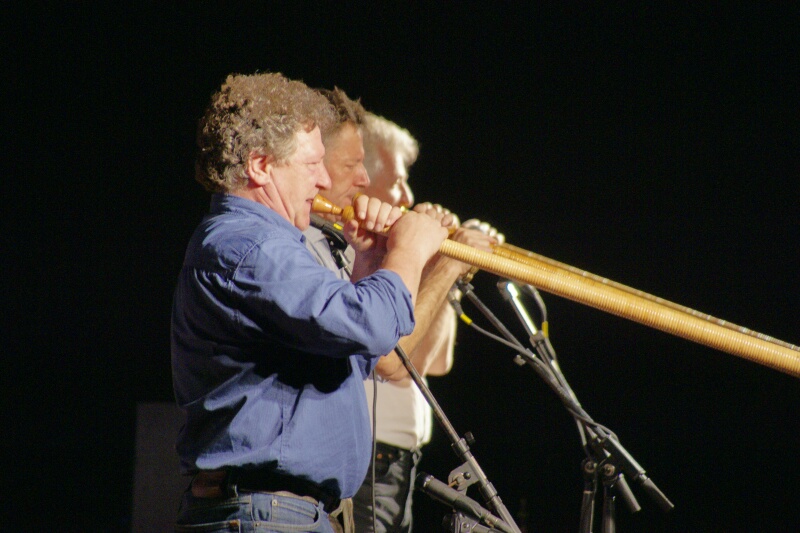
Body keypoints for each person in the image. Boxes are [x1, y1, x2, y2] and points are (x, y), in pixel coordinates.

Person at [171, 72, 449, 533]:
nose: (323, 181)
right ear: (261, 166)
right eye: (313, 164)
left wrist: (369, 262)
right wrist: (409, 250)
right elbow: (372, 328)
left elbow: (352, 356)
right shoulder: (251, 246)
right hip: (266, 515)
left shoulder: (266, 244)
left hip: (282, 514)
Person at [303, 96, 501, 532]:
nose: (408, 196)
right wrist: (444, 263)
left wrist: (440, 267)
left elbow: (435, 362)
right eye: (396, 181)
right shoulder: (323, 248)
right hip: (368, 459)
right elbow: (395, 361)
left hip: (396, 459)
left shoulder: (365, 250)